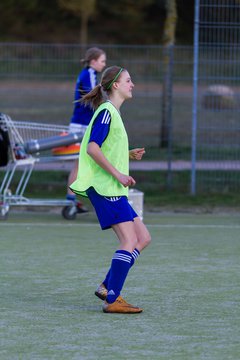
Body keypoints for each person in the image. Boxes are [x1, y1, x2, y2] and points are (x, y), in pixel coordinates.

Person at [70, 66, 151, 314]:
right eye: (128, 80)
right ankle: (112, 299)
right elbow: (93, 148)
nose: (132, 84)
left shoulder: (113, 113)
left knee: (143, 238)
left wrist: (126, 156)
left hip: (113, 187)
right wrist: (118, 174)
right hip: (106, 188)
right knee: (128, 241)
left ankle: (107, 286)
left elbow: (105, 148)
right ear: (115, 85)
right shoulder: (107, 111)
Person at [66, 47, 107, 214]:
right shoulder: (89, 74)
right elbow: (95, 95)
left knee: (82, 165)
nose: (104, 64)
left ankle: (72, 199)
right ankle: (72, 200)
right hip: (82, 126)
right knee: (82, 165)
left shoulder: (89, 74)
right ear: (93, 61)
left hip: (84, 125)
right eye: (102, 61)